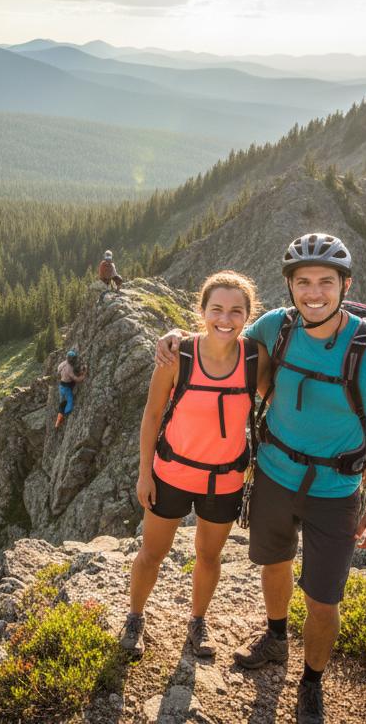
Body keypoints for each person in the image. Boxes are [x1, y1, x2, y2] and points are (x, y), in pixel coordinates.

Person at [154, 234, 366, 724]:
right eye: (302, 283)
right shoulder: (276, 326)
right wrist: (172, 337)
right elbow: (219, 339)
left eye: (325, 282)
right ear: (290, 287)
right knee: (274, 564)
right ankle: (276, 637)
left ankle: (311, 682)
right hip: (273, 474)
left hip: (337, 490)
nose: (313, 293)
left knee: (323, 599)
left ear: (346, 285)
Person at [120, 271, 266, 661]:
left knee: (209, 556)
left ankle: (197, 622)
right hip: (172, 473)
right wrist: (144, 473)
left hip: (226, 479)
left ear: (248, 317)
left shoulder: (255, 359)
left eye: (236, 311)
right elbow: (152, 416)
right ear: (201, 312)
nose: (225, 318)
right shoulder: (177, 356)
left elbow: (279, 399)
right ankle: (135, 617)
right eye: (216, 308)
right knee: (152, 553)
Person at [55, 349, 87, 428]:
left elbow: (58, 370)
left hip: (61, 385)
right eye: (74, 359)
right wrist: (84, 374)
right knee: (69, 402)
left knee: (62, 402)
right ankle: (64, 416)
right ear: (72, 359)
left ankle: (57, 421)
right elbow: (77, 379)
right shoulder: (69, 368)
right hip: (66, 387)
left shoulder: (62, 364)